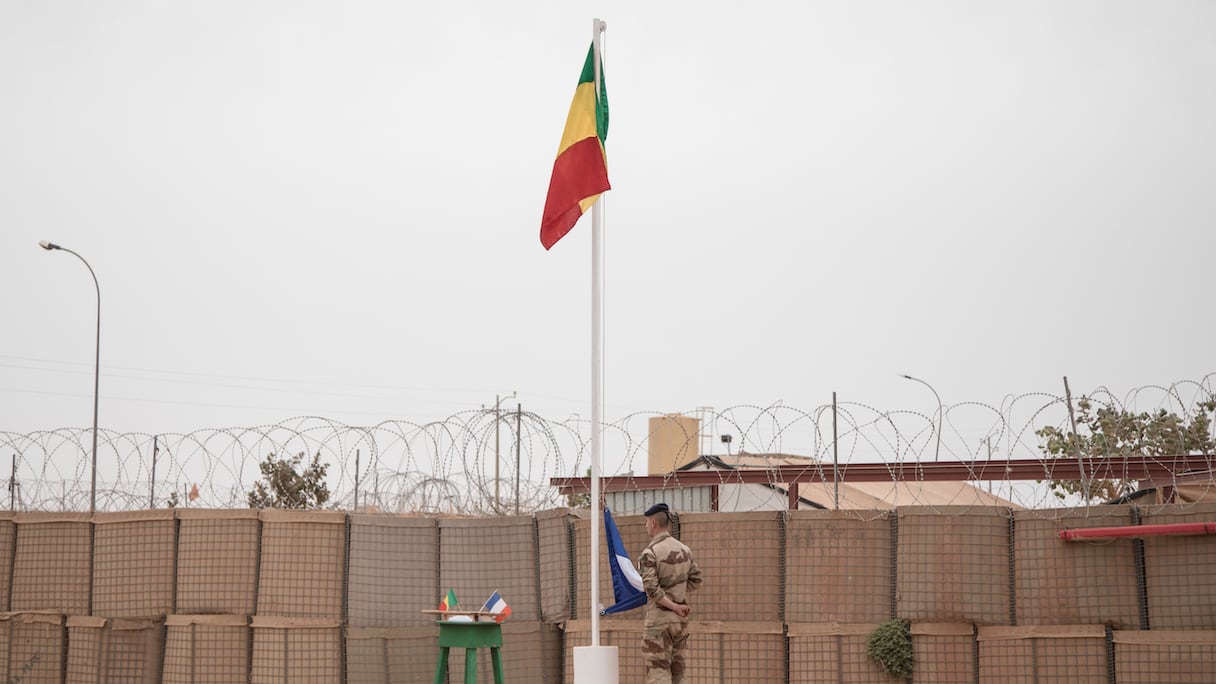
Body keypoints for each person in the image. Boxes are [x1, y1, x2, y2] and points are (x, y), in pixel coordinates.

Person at [638, 502, 703, 684]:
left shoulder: (650, 553)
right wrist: (677, 595)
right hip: (679, 621)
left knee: (658, 672)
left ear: (653, 523)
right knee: (679, 672)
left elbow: (652, 590)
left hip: (659, 621)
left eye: (646, 522)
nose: (645, 526)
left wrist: (670, 603)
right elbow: (697, 580)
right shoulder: (685, 550)